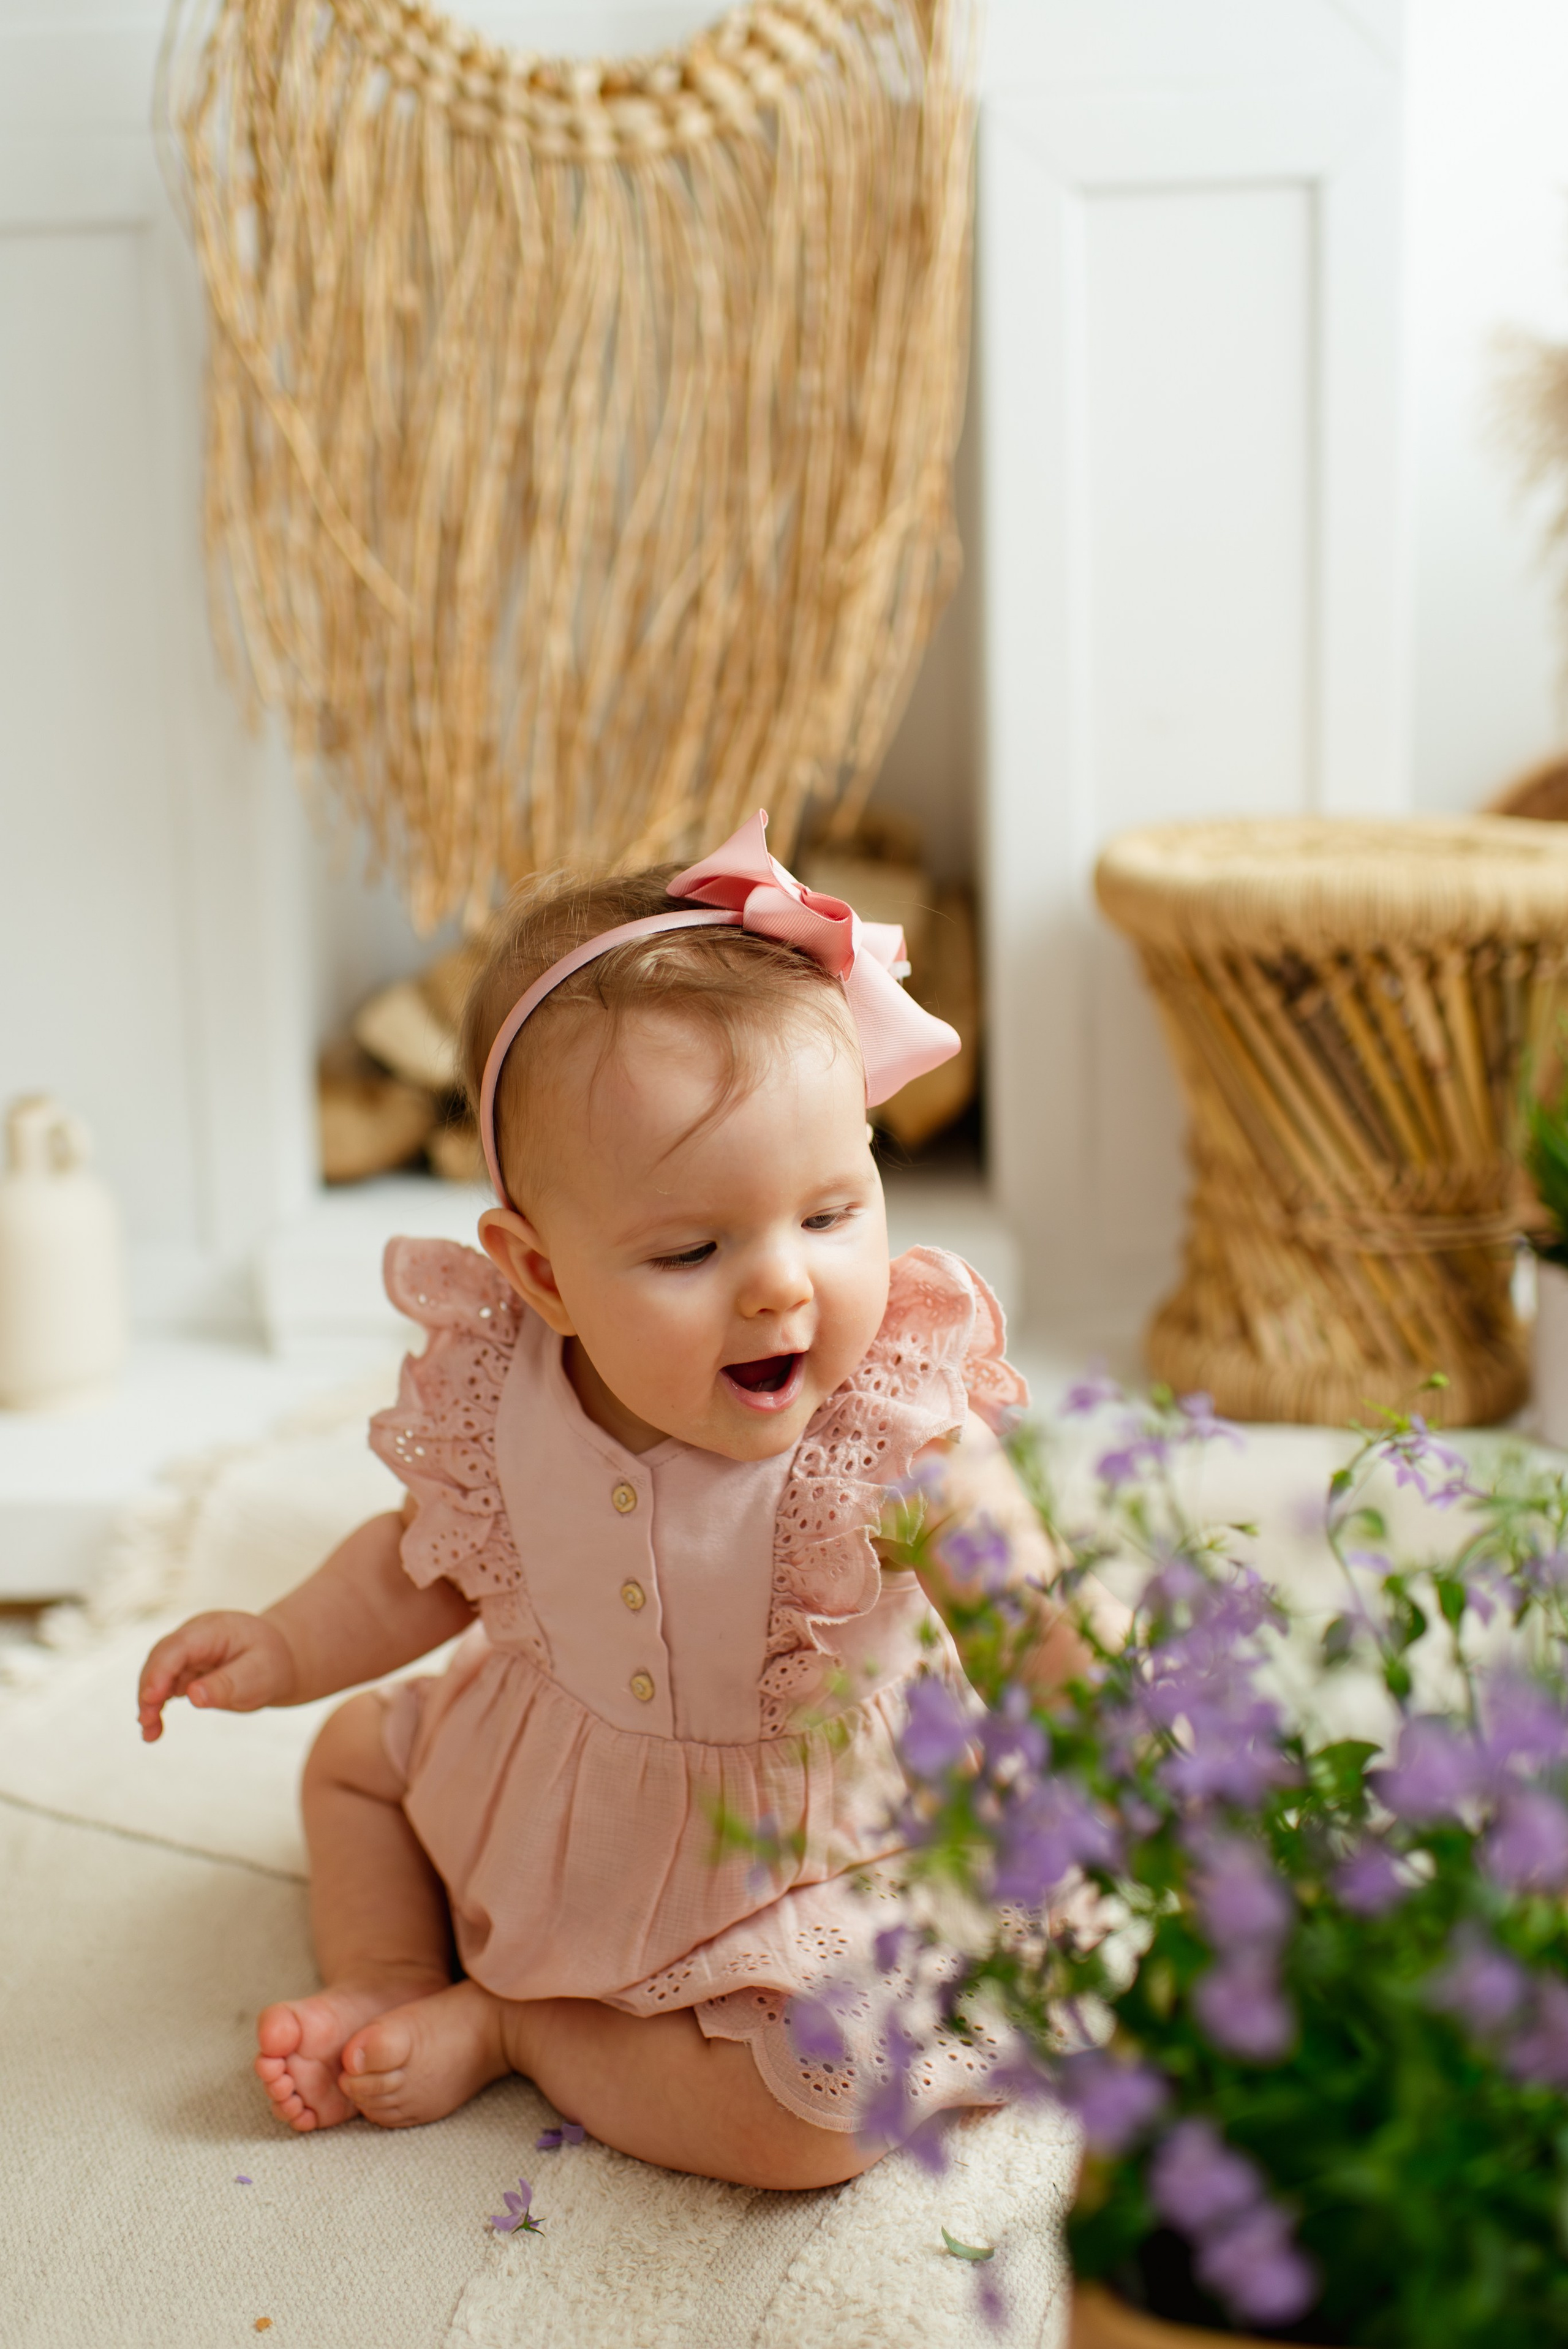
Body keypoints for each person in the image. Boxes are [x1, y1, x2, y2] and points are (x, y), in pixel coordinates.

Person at [136, 812, 1078, 2190]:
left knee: (813, 2121)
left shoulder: (893, 1427)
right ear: (540, 1274)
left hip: (803, 1844)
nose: (780, 1284)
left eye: (828, 1213)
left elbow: (1031, 1621)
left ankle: (521, 2024)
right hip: (559, 1774)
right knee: (353, 1759)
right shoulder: (505, 1391)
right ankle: (388, 1975)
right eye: (691, 1246)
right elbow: (417, 1568)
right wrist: (278, 1644)